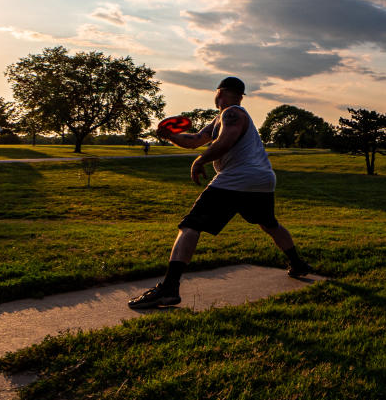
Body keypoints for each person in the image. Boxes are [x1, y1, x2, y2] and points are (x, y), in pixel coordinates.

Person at [128, 76, 312, 310]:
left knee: (191, 226)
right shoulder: (220, 118)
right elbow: (195, 140)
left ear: (220, 92)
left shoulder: (232, 113)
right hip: (262, 180)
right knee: (269, 223)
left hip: (238, 177)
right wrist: (171, 136)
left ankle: (169, 288)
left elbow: (226, 140)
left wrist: (200, 161)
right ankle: (298, 264)